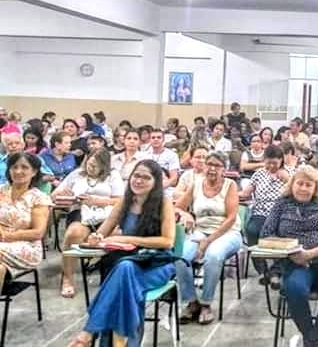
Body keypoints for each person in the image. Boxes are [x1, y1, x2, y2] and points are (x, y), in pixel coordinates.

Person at [68, 160, 176, 347]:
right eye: (136, 175)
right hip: (128, 265)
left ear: (155, 182)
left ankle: (88, 333)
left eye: (146, 177)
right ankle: (121, 340)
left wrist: (127, 239)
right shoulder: (124, 202)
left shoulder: (164, 203)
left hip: (156, 264)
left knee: (123, 270)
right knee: (125, 273)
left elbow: (167, 241)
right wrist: (96, 238)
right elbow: (102, 232)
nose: (139, 181)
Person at [260, 165, 318, 347]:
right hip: (294, 262)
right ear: (292, 184)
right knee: (295, 290)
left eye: (309, 185)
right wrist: (292, 253)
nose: (303, 188)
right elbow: (266, 233)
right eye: (300, 183)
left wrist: (309, 254)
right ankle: (311, 338)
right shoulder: (281, 204)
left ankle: (311, 341)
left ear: (315, 188)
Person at [175, 151, 242, 325]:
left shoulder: (230, 185)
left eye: (217, 165)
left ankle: (206, 303)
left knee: (213, 255)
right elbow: (177, 207)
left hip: (227, 232)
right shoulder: (196, 184)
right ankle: (191, 302)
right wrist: (186, 215)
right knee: (180, 257)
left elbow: (231, 219)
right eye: (209, 164)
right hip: (200, 231)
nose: (212, 168)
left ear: (224, 169)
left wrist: (208, 240)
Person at [52, 148, 124, 298]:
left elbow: (119, 200)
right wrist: (63, 194)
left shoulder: (113, 176)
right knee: (73, 234)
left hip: (106, 214)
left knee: (117, 235)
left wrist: (98, 201)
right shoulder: (77, 174)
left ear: (104, 166)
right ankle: (67, 278)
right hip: (80, 212)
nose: (91, 168)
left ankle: (110, 277)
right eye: (89, 164)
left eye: (95, 166)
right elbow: (54, 194)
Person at [0, 153, 51, 287]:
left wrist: (6, 235)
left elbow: (38, 233)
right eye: (14, 167)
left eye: (24, 167)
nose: (18, 171)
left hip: (27, 245)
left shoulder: (39, 198)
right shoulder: (1, 191)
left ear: (34, 172)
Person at [240, 145, 286, 277]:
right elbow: (246, 193)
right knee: (252, 230)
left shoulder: (288, 173)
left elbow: (294, 191)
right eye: (268, 162)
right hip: (261, 212)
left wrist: (287, 179)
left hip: (281, 213)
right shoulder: (259, 174)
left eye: (274, 163)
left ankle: (277, 269)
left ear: (281, 160)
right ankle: (262, 270)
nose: (271, 166)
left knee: (282, 231)